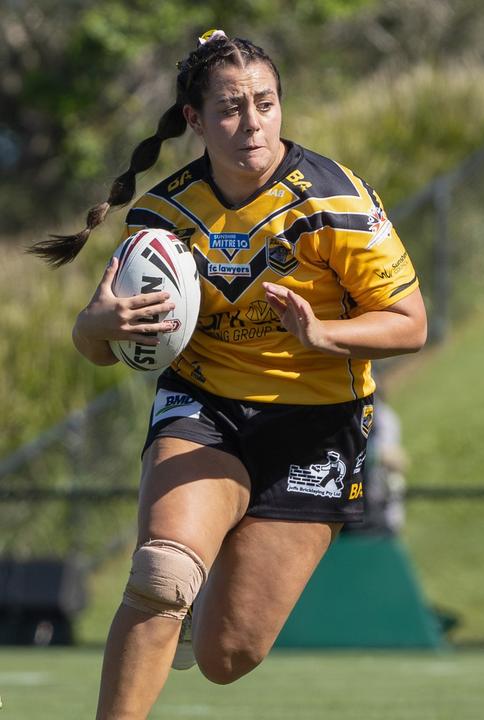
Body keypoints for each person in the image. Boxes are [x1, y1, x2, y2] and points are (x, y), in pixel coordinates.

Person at [29, 29, 425, 720]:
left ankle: (198, 602)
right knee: (162, 575)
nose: (252, 125)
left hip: (317, 425)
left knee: (228, 657)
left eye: (265, 104)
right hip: (204, 405)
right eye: (231, 109)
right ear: (195, 120)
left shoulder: (338, 203)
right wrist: (101, 326)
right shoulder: (161, 217)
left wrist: (325, 332)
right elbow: (92, 341)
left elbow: (410, 323)